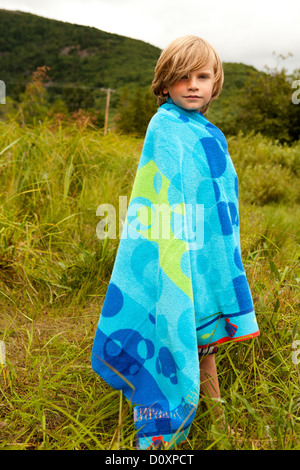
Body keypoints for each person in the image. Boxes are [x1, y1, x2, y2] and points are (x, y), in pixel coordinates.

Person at [91, 35, 260, 450]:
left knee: (204, 344)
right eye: (182, 76)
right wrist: (173, 244)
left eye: (202, 76)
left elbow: (221, 195)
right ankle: (161, 418)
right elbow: (161, 193)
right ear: (165, 83)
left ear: (215, 82)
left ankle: (218, 423)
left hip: (206, 256)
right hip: (173, 252)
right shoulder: (164, 126)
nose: (192, 85)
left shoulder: (209, 132)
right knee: (174, 326)